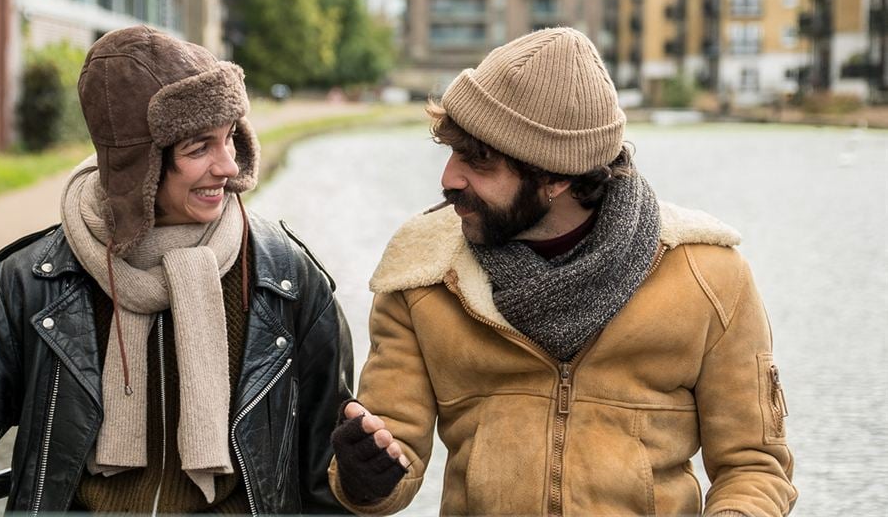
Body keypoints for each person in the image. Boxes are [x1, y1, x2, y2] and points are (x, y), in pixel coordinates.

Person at [0, 26, 353, 514]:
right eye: (199, 147)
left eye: (230, 138)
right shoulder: (30, 283)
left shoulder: (288, 278)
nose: (229, 166)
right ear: (138, 165)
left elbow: (330, 473)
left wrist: (367, 478)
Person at [328, 27, 796, 516]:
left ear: (556, 175)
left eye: (479, 162)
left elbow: (754, 467)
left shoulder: (712, 277)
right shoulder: (419, 271)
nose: (448, 180)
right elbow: (393, 454)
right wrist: (367, 477)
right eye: (450, 151)